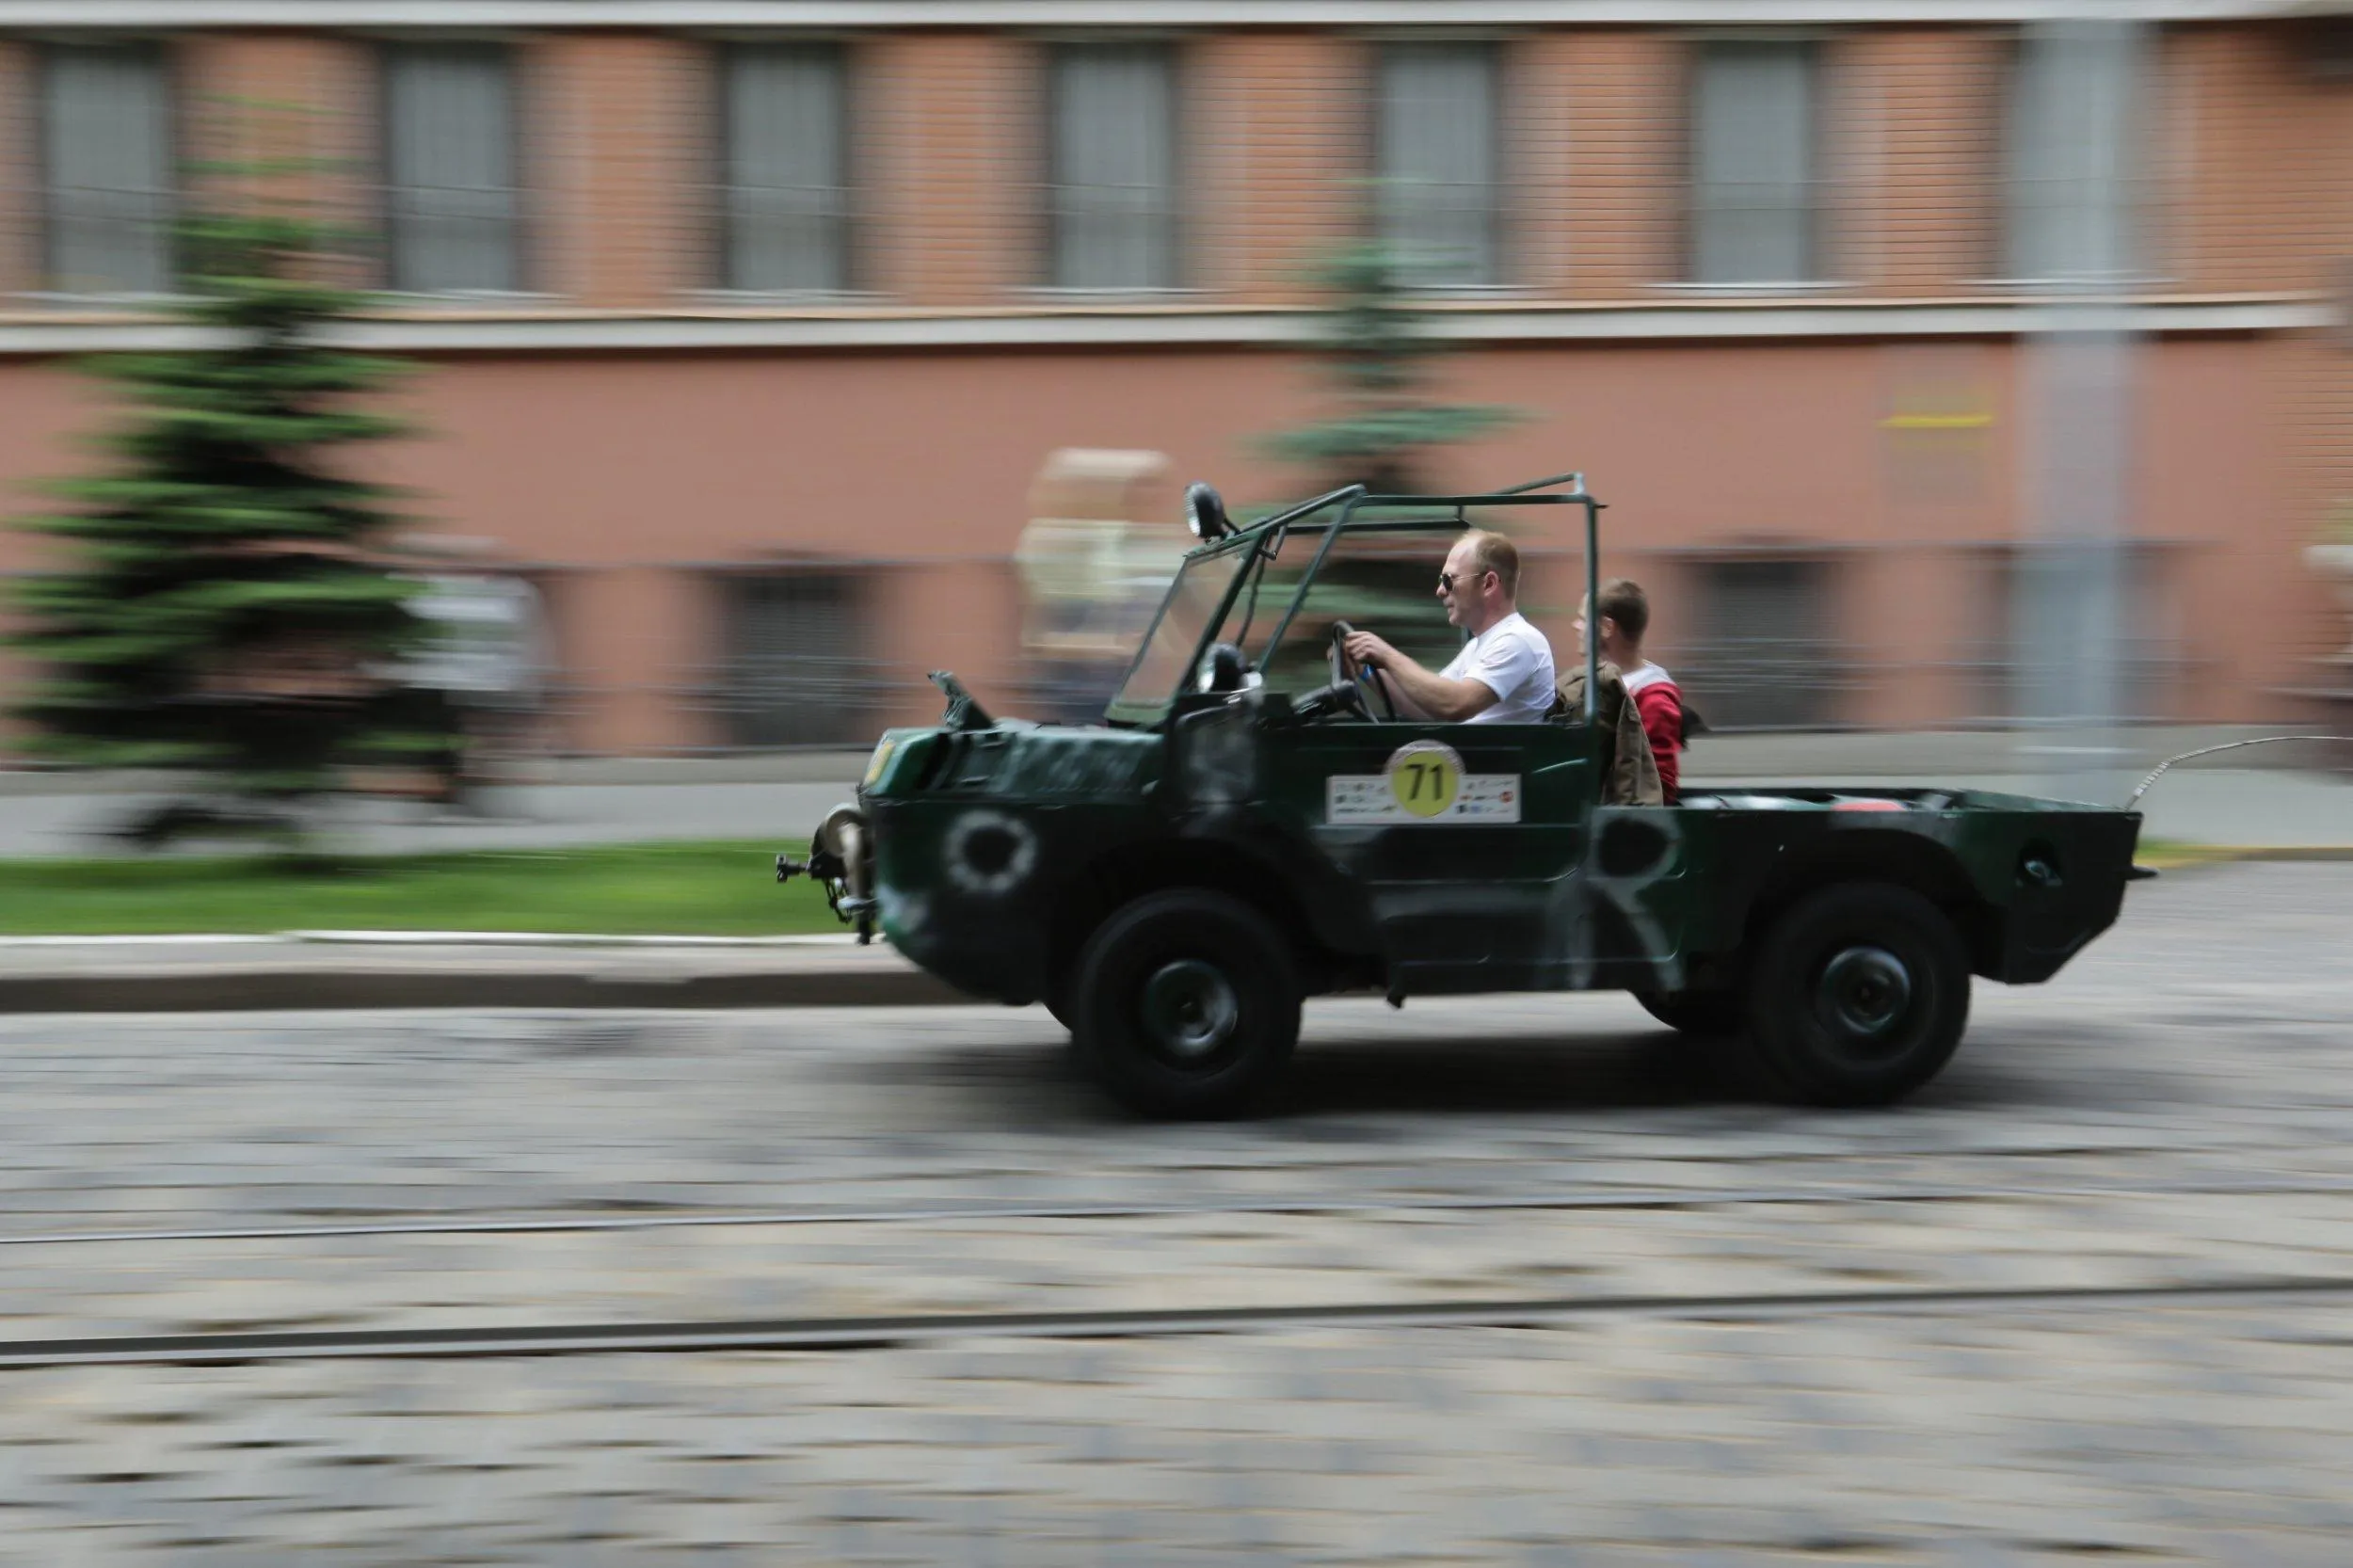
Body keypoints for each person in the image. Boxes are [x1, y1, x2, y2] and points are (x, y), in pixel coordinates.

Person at [1341, 529, 1557, 724]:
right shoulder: (1480, 645)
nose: (1440, 591)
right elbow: (1426, 706)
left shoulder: (1517, 640)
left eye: (1448, 580)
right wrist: (1365, 670)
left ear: (1489, 584)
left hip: (1493, 765)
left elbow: (1454, 705)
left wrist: (1388, 656)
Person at [1571, 578, 1683, 804]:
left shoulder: (1654, 699)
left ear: (1607, 627)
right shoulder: (1591, 679)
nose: (1576, 626)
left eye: (1583, 619)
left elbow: (1658, 787)